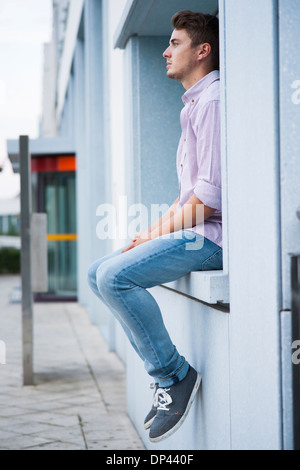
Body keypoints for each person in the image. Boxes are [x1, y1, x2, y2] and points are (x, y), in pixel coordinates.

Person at [88, 10, 222, 443]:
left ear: (203, 51)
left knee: (114, 276)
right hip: (194, 233)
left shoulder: (214, 101)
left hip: (212, 239)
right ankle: (169, 375)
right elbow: (188, 199)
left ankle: (173, 376)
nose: (165, 51)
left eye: (175, 43)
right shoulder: (195, 105)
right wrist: (150, 233)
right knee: (97, 273)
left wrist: (158, 233)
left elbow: (208, 201)